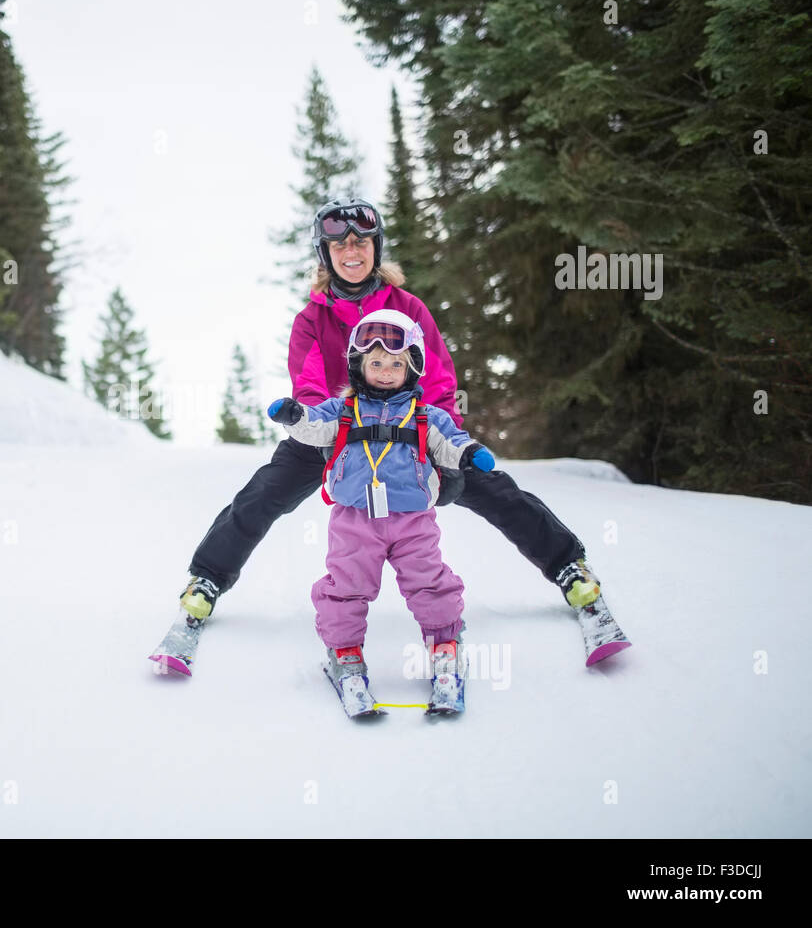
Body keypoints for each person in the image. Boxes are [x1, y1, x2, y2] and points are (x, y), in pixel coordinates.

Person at [177, 197, 604, 634]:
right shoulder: (311, 319)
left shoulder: (408, 307)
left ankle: (569, 566)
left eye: (362, 242)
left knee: (493, 487)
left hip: (410, 427)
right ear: (325, 255)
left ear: (375, 249)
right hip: (336, 429)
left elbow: (437, 376)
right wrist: (325, 431)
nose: (352, 251)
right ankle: (207, 577)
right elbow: (308, 384)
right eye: (340, 244)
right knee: (264, 492)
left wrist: (442, 442)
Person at [267, 310, 496, 716]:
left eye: (396, 363)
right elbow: (313, 424)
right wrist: (294, 415)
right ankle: (345, 652)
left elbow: (452, 442)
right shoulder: (343, 409)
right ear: (359, 364)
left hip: (413, 521)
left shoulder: (428, 415)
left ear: (413, 366)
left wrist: (472, 453)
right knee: (347, 585)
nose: (386, 371)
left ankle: (445, 644)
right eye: (376, 363)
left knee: (430, 582)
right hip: (355, 519)